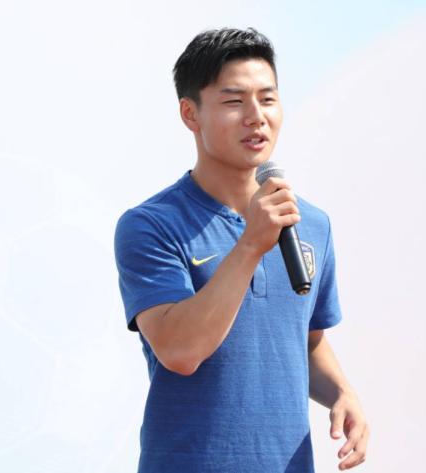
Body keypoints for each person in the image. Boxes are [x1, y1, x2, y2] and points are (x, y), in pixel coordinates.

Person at [114, 27, 369, 472]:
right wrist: (251, 244)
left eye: (267, 99)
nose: (256, 117)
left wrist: (342, 392)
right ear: (190, 114)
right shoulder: (151, 225)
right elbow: (180, 351)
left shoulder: (310, 224)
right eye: (234, 101)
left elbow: (306, 342)